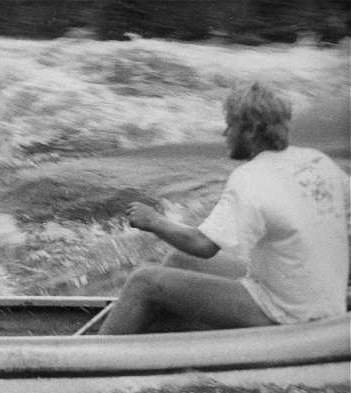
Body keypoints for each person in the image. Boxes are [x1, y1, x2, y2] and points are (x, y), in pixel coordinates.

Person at [99, 80, 349, 335]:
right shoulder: (317, 160)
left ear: (250, 131)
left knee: (142, 282)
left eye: (230, 125)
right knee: (178, 260)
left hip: (288, 314)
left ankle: (97, 355)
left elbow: (203, 245)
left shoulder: (251, 177)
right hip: (324, 303)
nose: (225, 133)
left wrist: (153, 221)